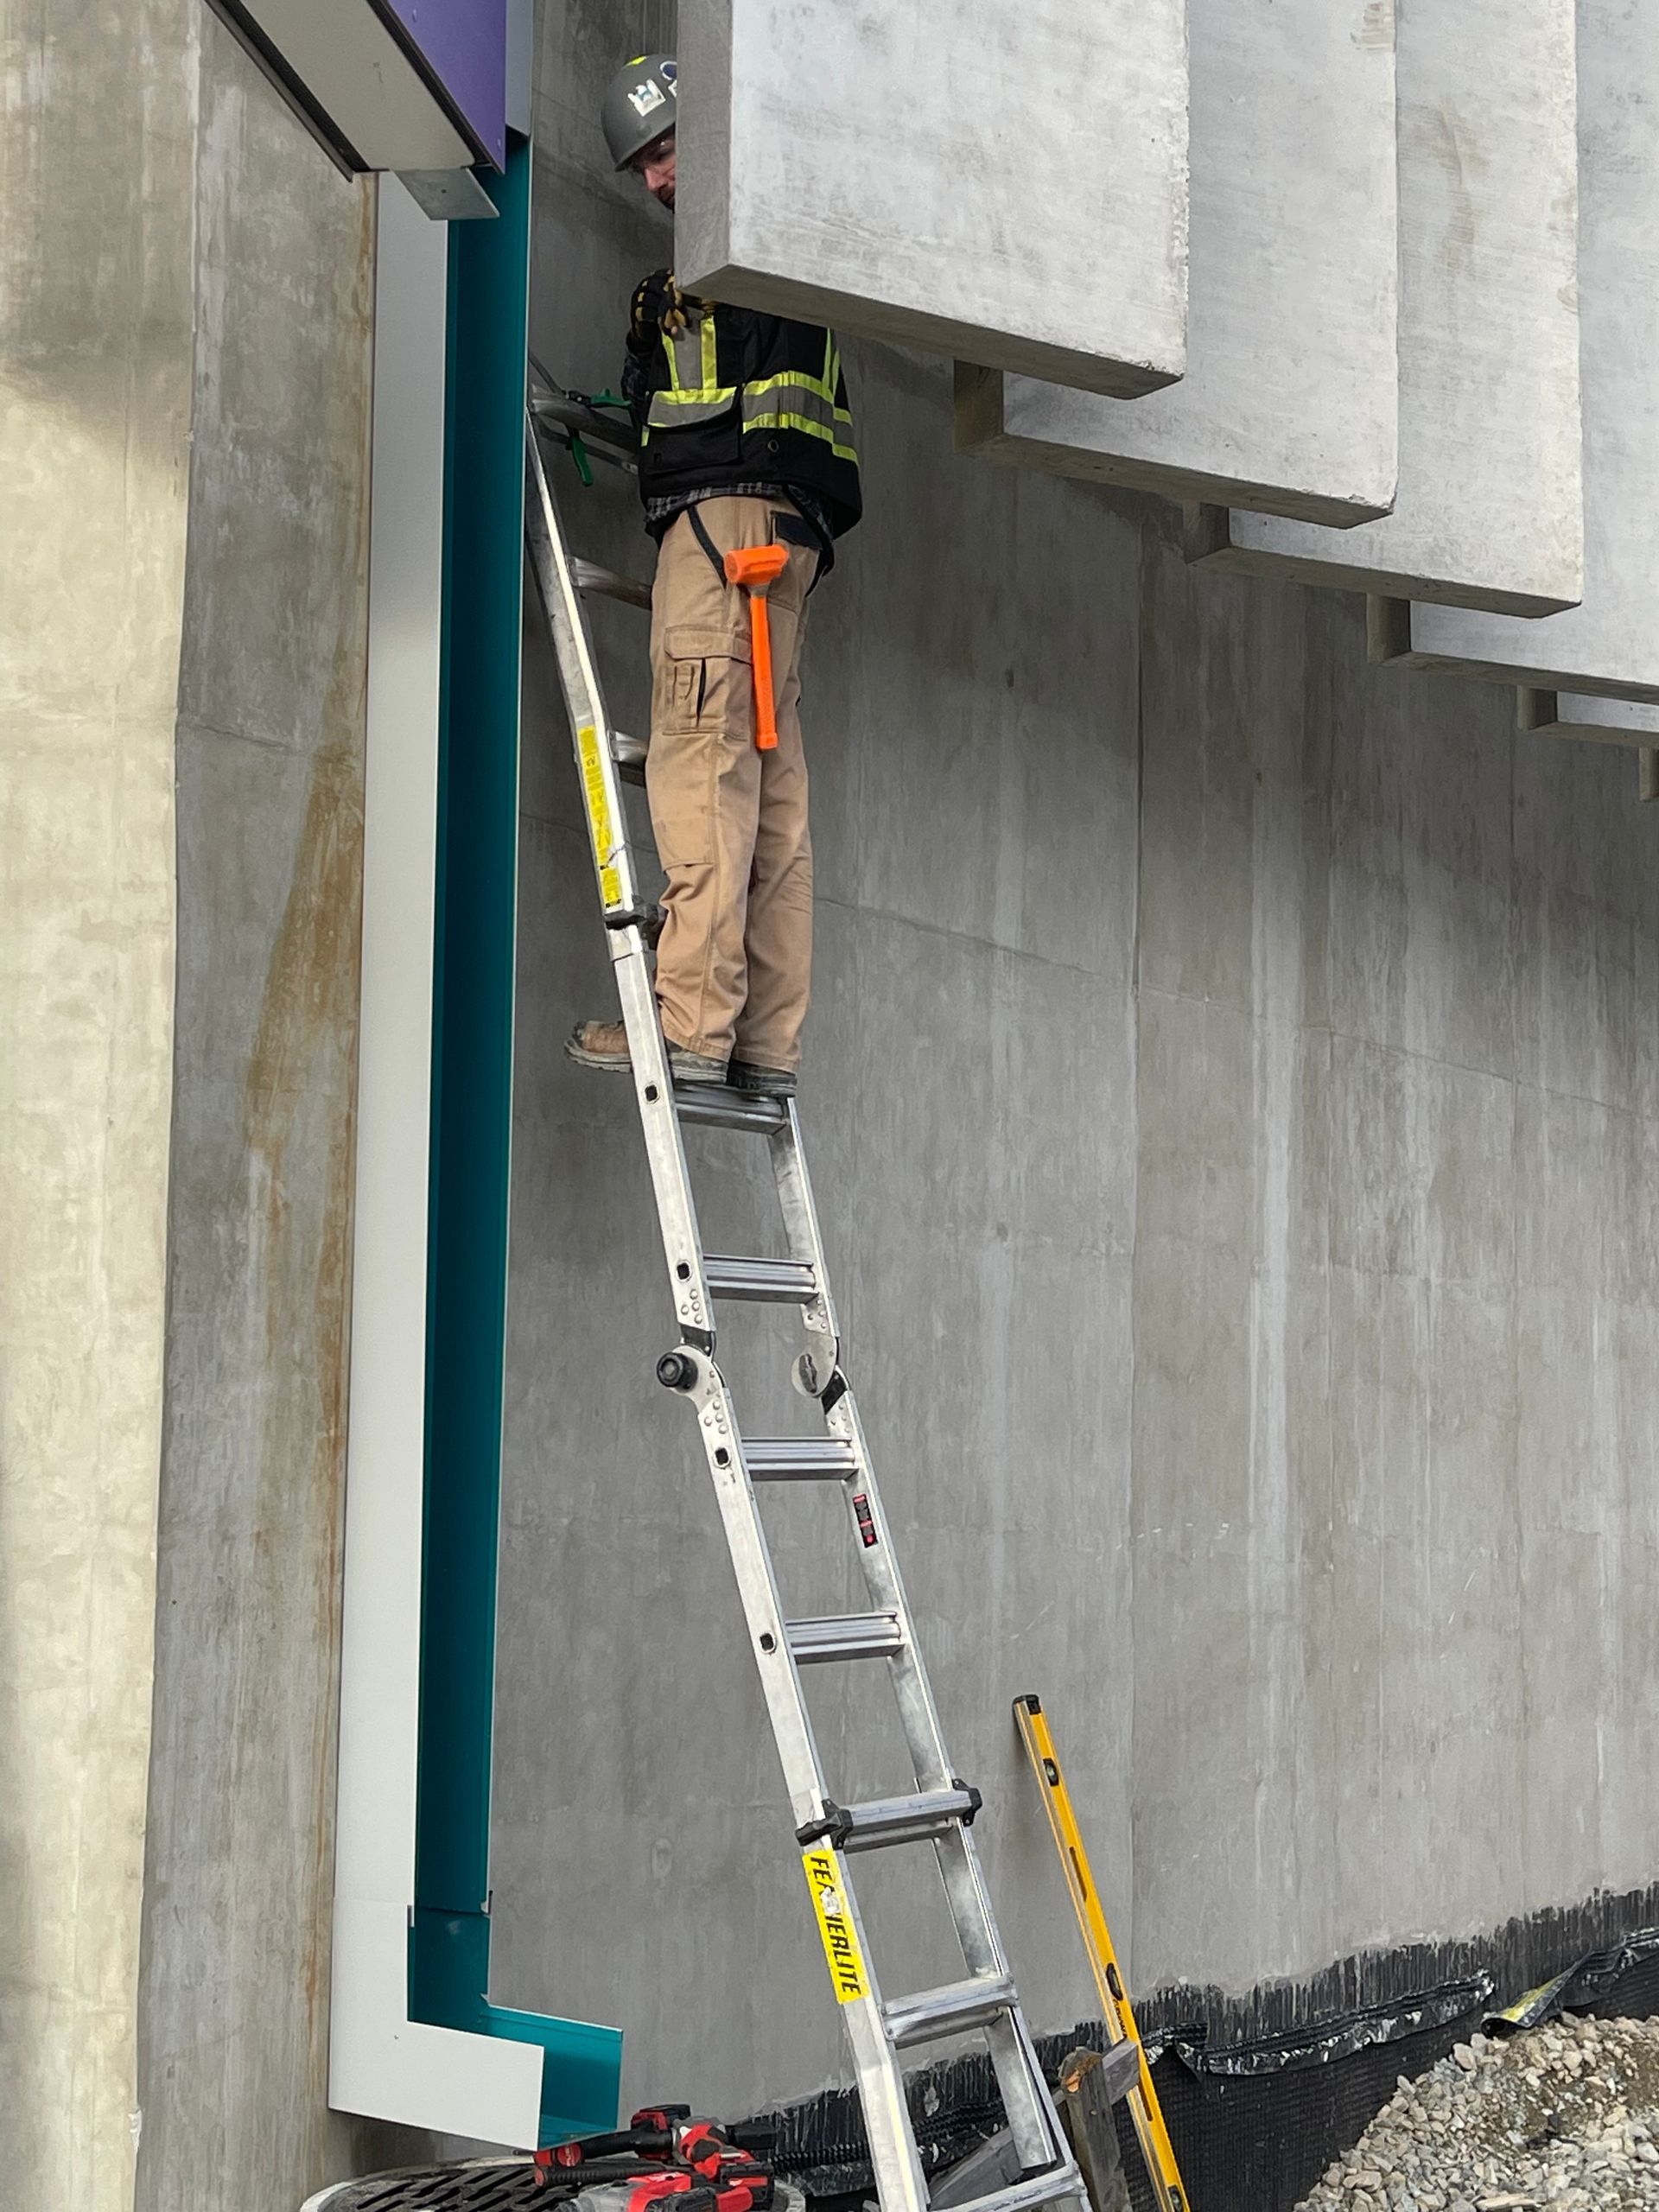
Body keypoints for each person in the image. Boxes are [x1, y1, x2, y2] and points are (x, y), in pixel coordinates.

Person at [566, 54, 861, 1098]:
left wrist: (653, 340)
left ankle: (689, 1022)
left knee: (701, 767)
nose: (654, 179)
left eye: (665, 147)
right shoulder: (789, 224)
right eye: (640, 164)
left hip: (724, 527)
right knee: (773, 790)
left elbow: (702, 394)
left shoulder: (725, 250)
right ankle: (766, 1044)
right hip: (792, 539)